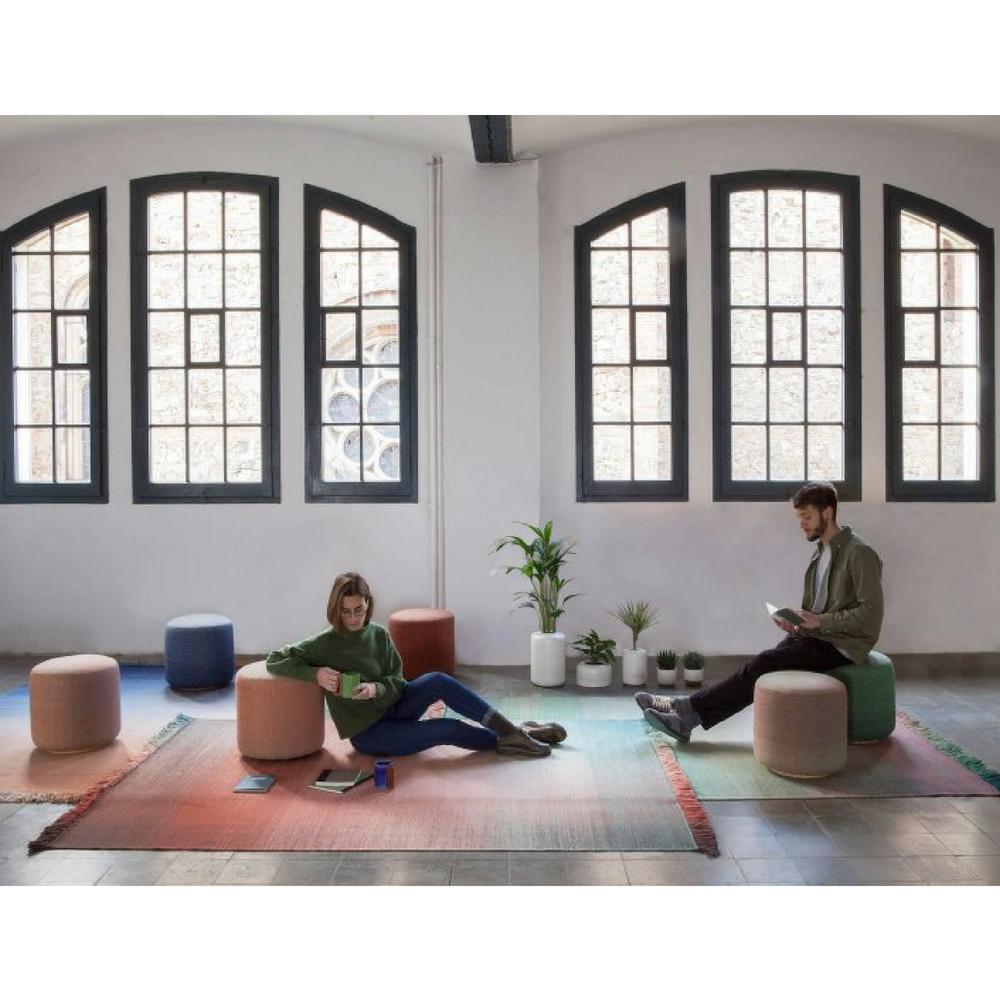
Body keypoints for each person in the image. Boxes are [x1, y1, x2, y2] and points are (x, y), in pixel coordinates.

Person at [636, 481, 883, 741]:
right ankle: (683, 708)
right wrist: (797, 623)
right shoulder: (820, 553)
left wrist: (819, 622)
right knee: (757, 666)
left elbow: (870, 616)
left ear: (828, 513)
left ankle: (686, 715)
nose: (802, 524)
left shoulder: (860, 554)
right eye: (799, 517)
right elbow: (819, 609)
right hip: (818, 636)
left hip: (843, 644)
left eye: (807, 517)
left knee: (764, 663)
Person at [266, 571, 567, 758]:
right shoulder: (324, 642)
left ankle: (512, 731)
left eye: (359, 609)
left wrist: (375, 689)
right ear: (336, 609)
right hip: (370, 734)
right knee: (448, 728)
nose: (354, 618)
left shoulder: (378, 634)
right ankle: (513, 738)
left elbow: (397, 680)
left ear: (368, 603)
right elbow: (275, 660)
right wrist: (315, 674)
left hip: (394, 708)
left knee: (436, 679)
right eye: (346, 612)